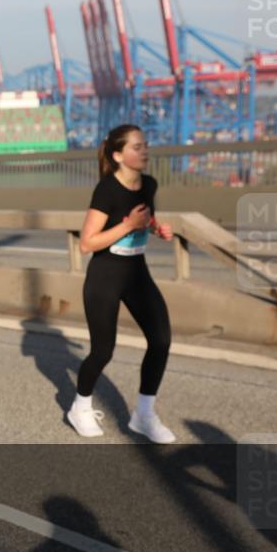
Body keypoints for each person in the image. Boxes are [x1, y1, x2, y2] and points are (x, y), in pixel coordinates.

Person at [71, 124, 175, 443]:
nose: (144, 151)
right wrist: (130, 224)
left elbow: (144, 217)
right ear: (118, 155)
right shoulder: (106, 190)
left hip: (137, 273)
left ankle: (143, 415)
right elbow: (87, 243)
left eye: (145, 145)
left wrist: (156, 228)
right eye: (136, 147)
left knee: (160, 340)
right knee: (103, 350)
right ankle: (80, 406)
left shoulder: (149, 184)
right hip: (106, 275)